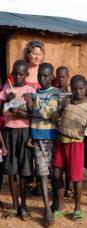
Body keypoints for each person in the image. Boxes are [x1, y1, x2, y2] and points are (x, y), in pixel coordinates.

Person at [52, 74, 87, 221]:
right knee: (57, 174)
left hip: (76, 144)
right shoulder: (66, 101)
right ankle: (60, 206)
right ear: (70, 88)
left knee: (76, 178)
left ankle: (78, 207)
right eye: (75, 88)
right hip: (61, 142)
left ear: (85, 89)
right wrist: (60, 109)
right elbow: (54, 118)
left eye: (81, 88)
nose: (78, 91)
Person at [24, 63, 60, 226]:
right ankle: (46, 209)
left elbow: (50, 115)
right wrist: (29, 105)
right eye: (40, 75)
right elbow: (33, 115)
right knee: (42, 173)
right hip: (37, 137)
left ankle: (58, 202)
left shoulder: (55, 94)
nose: (42, 78)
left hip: (52, 138)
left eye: (45, 75)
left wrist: (36, 99)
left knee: (55, 174)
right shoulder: (36, 93)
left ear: (52, 76)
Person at [0, 60, 36, 220]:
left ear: (27, 74)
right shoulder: (7, 88)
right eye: (15, 73)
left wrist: (19, 110)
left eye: (21, 74)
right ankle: (15, 205)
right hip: (9, 132)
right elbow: (1, 110)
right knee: (11, 171)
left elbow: (33, 114)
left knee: (24, 172)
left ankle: (24, 206)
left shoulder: (30, 90)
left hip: (24, 132)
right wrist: (8, 100)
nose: (17, 76)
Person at [54, 66, 73, 198]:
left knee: (68, 161)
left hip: (68, 131)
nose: (61, 79)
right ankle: (58, 187)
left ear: (68, 77)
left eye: (63, 76)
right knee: (57, 162)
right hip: (55, 131)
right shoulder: (54, 94)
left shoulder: (72, 95)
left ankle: (69, 187)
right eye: (59, 77)